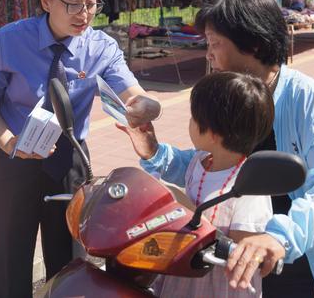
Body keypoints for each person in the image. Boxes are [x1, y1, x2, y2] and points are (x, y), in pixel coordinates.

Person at [145, 0, 314, 297]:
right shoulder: (231, 93)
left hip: (299, 260)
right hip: (233, 259)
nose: (208, 54)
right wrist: (154, 152)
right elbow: (208, 165)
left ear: (254, 46)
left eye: (215, 43)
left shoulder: (310, 102)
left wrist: (279, 238)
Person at [0, 0, 161, 298]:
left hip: (70, 163)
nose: (84, 14)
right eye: (73, 4)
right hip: (14, 160)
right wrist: (10, 142)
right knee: (7, 263)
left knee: (70, 267)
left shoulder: (101, 46)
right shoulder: (10, 40)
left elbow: (132, 92)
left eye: (91, 4)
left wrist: (146, 107)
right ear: (46, 0)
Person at [118, 72, 275, 297]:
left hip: (216, 289)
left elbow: (245, 253)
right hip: (182, 278)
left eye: (193, 118)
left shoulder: (248, 187)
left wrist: (187, 210)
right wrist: (151, 150)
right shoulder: (200, 160)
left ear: (212, 133)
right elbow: (174, 168)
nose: (189, 123)